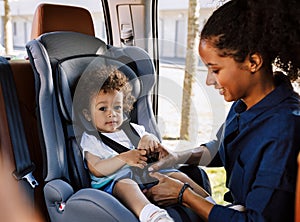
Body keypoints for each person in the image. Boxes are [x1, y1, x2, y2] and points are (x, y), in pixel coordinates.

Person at [145, 0, 300, 221]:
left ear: (253, 62)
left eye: (215, 70)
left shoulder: (283, 130)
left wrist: (184, 196)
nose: (209, 81)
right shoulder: (244, 104)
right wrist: (175, 157)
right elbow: (220, 149)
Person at [76, 65, 211, 222]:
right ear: (87, 114)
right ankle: (153, 216)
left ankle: (210, 204)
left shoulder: (133, 129)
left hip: (147, 175)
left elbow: (150, 140)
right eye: (102, 108)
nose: (111, 113)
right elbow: (96, 168)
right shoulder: (91, 139)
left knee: (177, 175)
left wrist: (149, 139)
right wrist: (124, 158)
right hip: (115, 183)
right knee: (126, 184)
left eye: (117, 107)